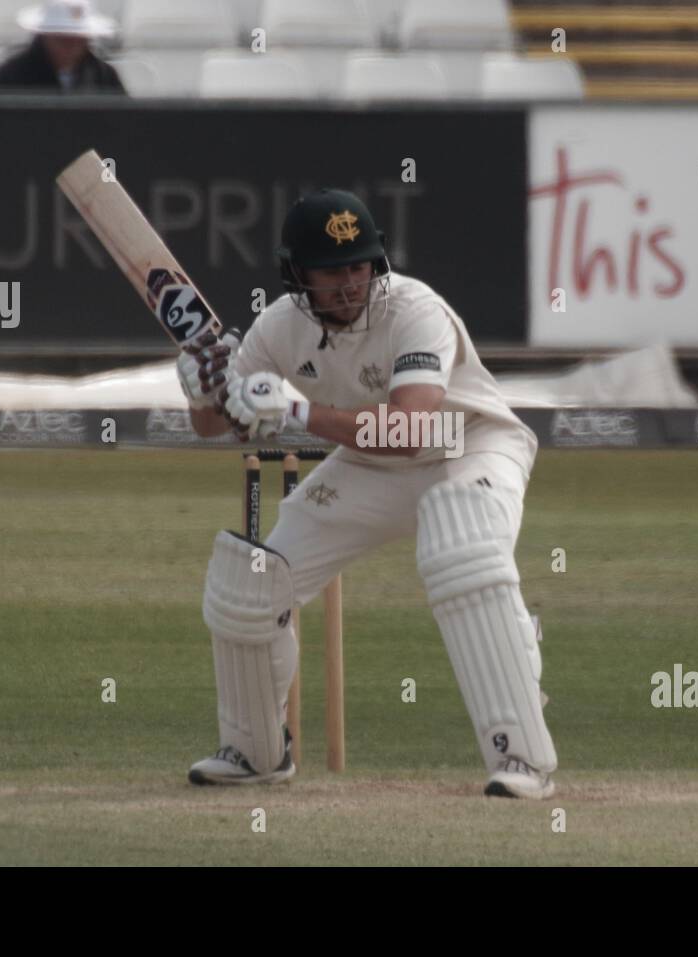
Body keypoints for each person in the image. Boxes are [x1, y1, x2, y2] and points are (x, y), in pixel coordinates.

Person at [178, 189, 556, 798]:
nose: (351, 284)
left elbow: (409, 430)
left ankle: (520, 759)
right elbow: (216, 423)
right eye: (333, 271)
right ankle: (255, 752)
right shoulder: (278, 328)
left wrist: (298, 408)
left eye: (360, 266)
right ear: (298, 274)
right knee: (251, 580)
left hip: (468, 446)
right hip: (367, 462)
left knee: (462, 548)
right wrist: (203, 393)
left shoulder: (416, 311)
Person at [0, 0, 125, 95]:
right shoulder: (12, 75)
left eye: (80, 40)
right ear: (45, 37)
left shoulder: (104, 76)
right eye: (63, 39)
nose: (73, 47)